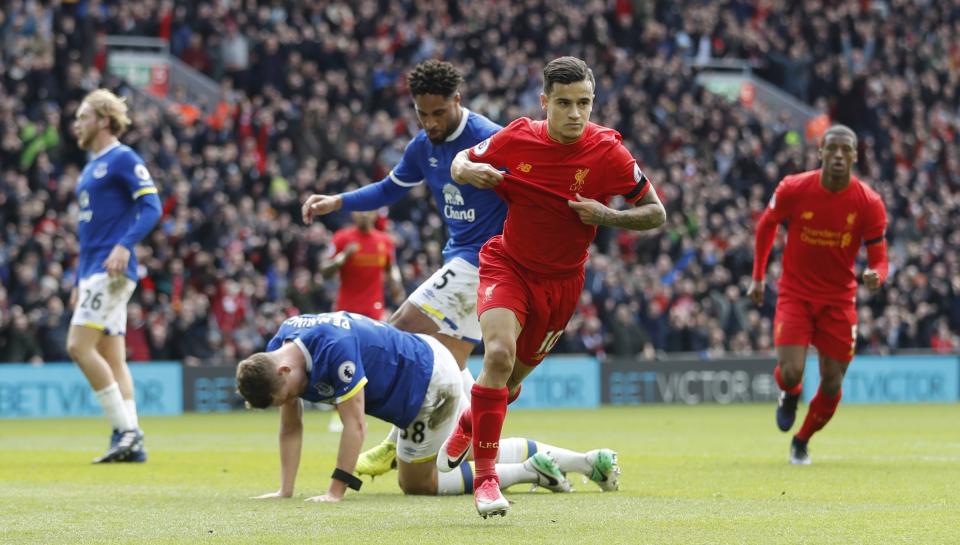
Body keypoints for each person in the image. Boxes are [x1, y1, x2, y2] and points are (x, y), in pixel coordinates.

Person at [442, 56, 666, 518]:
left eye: (583, 103)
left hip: (562, 284)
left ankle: (469, 422)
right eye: (563, 104)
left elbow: (656, 213)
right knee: (498, 357)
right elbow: (461, 161)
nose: (575, 114)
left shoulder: (610, 153)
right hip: (508, 264)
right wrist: (467, 172)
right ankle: (485, 481)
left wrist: (609, 216)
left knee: (508, 381)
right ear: (545, 102)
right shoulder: (518, 136)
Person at [302, 60, 505, 476]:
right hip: (461, 257)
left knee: (400, 331)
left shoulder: (489, 137)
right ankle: (487, 440)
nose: (430, 122)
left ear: (457, 101)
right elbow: (389, 189)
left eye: (438, 113)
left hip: (486, 258)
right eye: (422, 113)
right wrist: (337, 201)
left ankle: (395, 441)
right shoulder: (422, 147)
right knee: (451, 363)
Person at [236, 312, 619, 502]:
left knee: (418, 482)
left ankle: (526, 472)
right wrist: (285, 490)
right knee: (464, 451)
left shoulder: (332, 350)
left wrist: (335, 491)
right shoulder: (281, 346)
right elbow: (290, 424)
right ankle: (586, 461)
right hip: (422, 365)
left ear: (284, 370)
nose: (291, 401)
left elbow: (354, 426)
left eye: (286, 395)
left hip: (429, 385)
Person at [748, 124, 888, 465]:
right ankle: (790, 393)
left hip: (840, 300)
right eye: (832, 149)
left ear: (855, 157)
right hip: (795, 293)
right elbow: (766, 224)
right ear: (820, 152)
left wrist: (876, 275)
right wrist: (758, 277)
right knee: (792, 371)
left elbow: (880, 258)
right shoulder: (794, 188)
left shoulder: (869, 203)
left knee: (831, 383)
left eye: (846, 151)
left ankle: (802, 439)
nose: (838, 156)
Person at [66, 89, 162, 463]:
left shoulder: (122, 158)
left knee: (78, 346)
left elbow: (151, 206)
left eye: (83, 116)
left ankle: (128, 432)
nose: (77, 124)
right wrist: (77, 279)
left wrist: (125, 245)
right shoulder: (91, 166)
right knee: (113, 357)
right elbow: (87, 232)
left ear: (104, 120)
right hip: (92, 270)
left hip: (112, 269)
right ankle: (128, 440)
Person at [320, 210, 404, 321]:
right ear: (353, 213)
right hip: (346, 309)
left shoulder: (385, 241)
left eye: (368, 210)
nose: (364, 214)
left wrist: (397, 286)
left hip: (373, 309)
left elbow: (391, 268)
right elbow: (324, 271)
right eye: (360, 210)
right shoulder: (341, 237)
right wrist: (343, 257)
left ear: (375, 214)